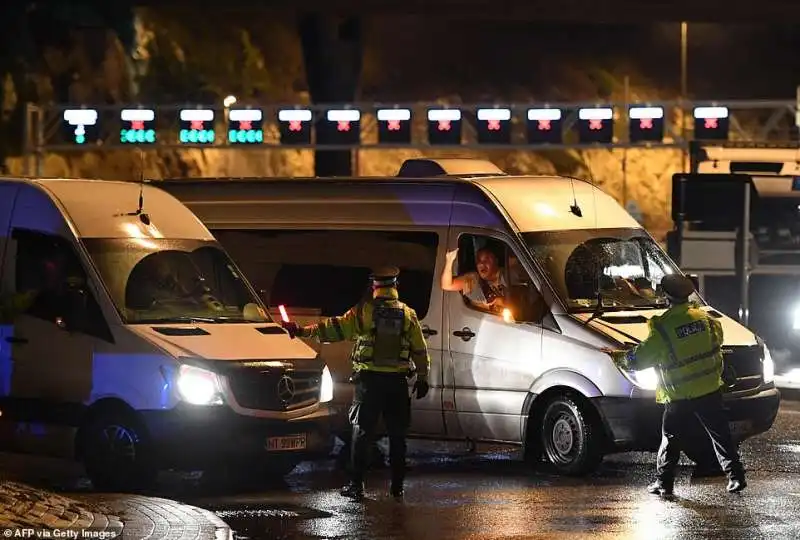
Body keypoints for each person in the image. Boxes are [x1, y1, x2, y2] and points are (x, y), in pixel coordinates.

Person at [282, 266, 430, 500]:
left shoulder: (363, 312)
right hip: (397, 384)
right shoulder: (408, 314)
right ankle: (397, 487)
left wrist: (301, 330)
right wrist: (423, 377)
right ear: (395, 287)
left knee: (362, 432)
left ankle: (357, 485)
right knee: (398, 435)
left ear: (374, 287)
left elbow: (333, 329)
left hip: (369, 383)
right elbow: (419, 350)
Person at [606, 274, 746, 498]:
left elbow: (640, 359)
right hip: (709, 389)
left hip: (679, 395)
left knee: (671, 440)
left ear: (666, 296)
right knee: (720, 435)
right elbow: (716, 343)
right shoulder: (706, 319)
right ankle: (736, 477)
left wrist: (617, 356)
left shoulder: (663, 327)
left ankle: (664, 483)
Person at [441, 246, 507, 313]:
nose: (481, 264)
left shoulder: (508, 275)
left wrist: (502, 301)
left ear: (496, 260)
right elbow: (446, 285)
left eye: (486, 259)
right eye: (479, 260)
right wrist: (449, 261)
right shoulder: (473, 280)